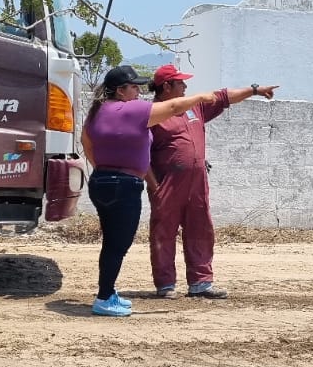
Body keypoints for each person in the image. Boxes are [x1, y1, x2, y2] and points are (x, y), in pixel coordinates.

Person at [80, 64, 220, 317]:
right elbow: (174, 108)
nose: (138, 91)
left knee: (112, 242)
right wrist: (200, 97)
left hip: (101, 181)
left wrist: (102, 168)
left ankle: (107, 293)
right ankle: (104, 298)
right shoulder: (132, 109)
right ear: (121, 90)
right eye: (134, 87)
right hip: (124, 184)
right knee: (117, 245)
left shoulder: (98, 111)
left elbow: (86, 142)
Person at [146, 64, 278, 299]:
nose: (185, 86)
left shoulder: (194, 107)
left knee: (200, 229)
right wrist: (154, 185)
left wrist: (255, 90)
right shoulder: (152, 113)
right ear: (166, 86)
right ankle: (165, 285)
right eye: (180, 82)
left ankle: (200, 283)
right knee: (163, 233)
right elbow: (140, 153)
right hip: (168, 185)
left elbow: (224, 96)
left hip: (196, 184)